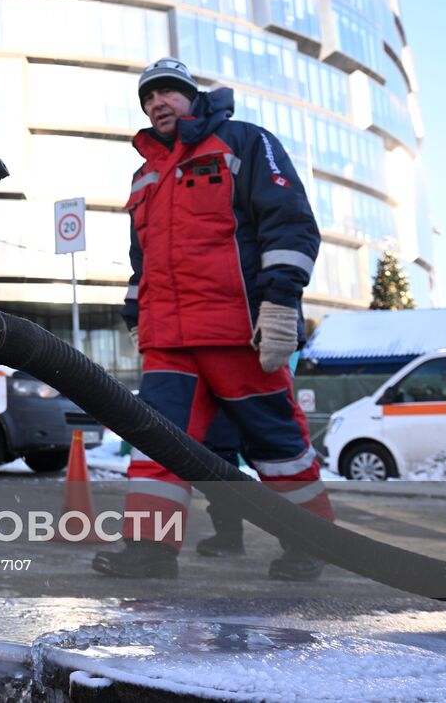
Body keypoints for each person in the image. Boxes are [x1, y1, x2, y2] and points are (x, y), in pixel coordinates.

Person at [94, 58, 334, 582]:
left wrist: (280, 304)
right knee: (157, 440)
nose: (158, 103)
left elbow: (290, 224)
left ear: (194, 97)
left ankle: (310, 543)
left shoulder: (246, 142)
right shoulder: (144, 176)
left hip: (237, 332)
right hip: (169, 341)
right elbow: (143, 261)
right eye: (148, 98)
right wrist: (136, 314)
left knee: (275, 444)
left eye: (168, 93)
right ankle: (150, 551)